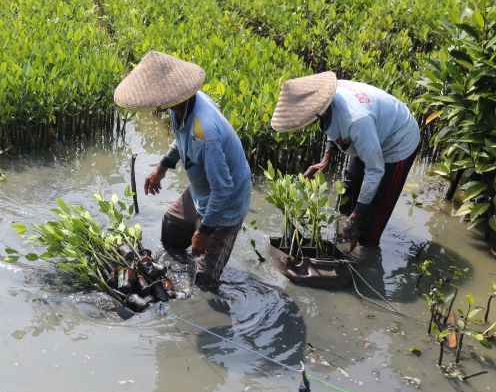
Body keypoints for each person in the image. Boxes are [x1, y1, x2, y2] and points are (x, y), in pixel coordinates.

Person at [113, 50, 251, 290]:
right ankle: (182, 265)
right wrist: (163, 166)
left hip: (225, 202)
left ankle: (202, 275)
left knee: (204, 282)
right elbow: (182, 139)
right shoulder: (180, 108)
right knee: (171, 226)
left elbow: (223, 188)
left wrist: (206, 231)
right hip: (202, 190)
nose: (154, 103)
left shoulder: (206, 132)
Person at [271, 72, 420, 249]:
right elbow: (333, 128)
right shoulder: (326, 99)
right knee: (347, 196)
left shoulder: (356, 120)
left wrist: (357, 217)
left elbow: (375, 170)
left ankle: (365, 254)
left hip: (398, 142)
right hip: (370, 133)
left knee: (371, 221)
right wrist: (326, 159)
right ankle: (346, 233)